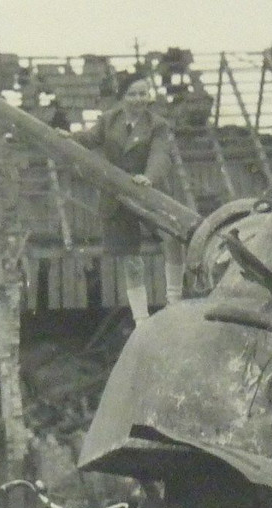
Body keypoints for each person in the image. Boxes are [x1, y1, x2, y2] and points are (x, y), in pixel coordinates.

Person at [71, 74, 186, 322]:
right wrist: (68, 136)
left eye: (143, 94)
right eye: (133, 94)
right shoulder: (109, 120)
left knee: (172, 237)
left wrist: (149, 177)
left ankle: (174, 300)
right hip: (117, 196)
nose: (139, 99)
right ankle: (141, 319)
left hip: (148, 191)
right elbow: (89, 139)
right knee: (130, 258)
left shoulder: (158, 125)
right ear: (122, 97)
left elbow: (160, 154)